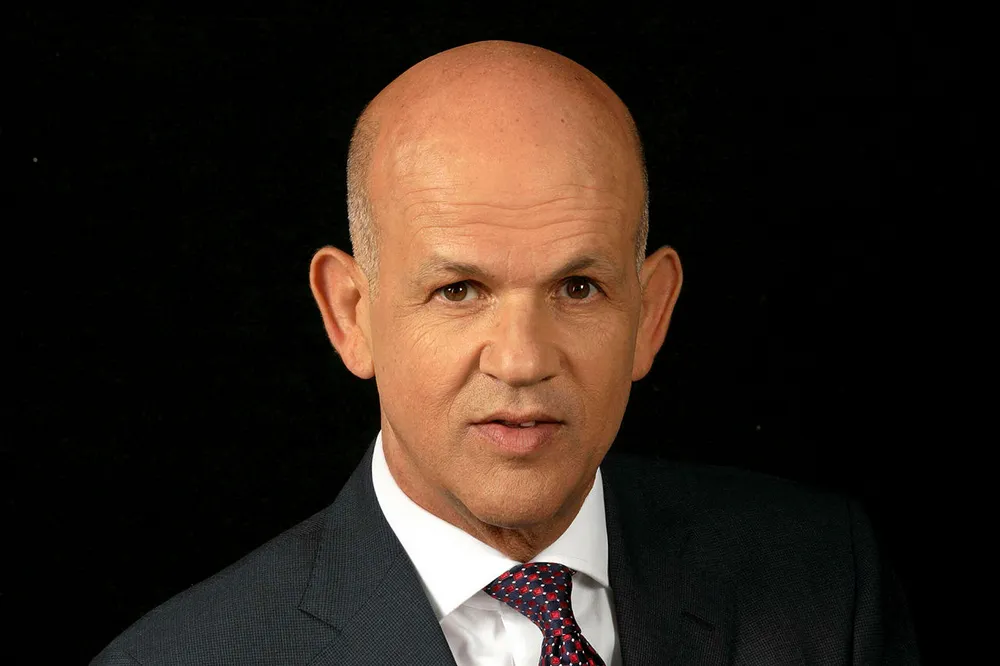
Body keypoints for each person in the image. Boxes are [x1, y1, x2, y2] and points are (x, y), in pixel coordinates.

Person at [92, 40, 919, 665]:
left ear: (651, 313)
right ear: (351, 315)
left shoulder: (823, 582)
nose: (521, 362)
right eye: (459, 291)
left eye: (578, 288)